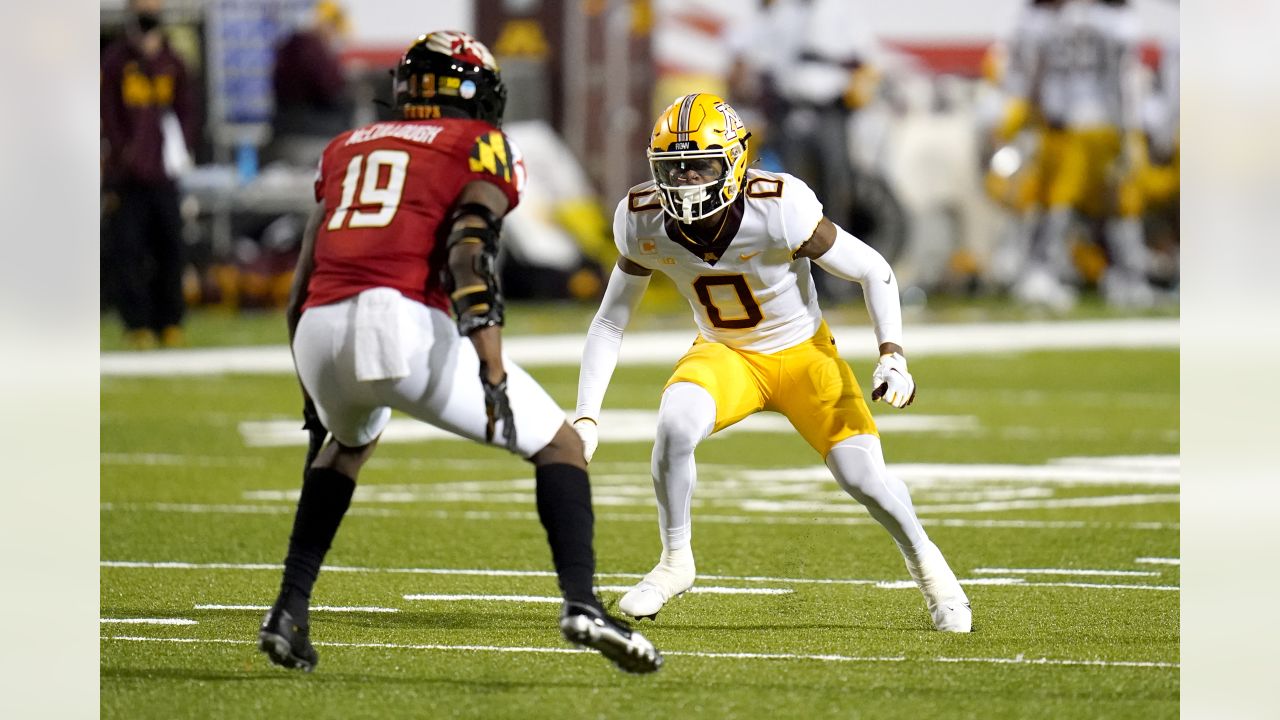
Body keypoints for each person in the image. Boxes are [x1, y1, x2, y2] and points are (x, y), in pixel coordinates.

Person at [258, 31, 662, 675]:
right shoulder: (478, 144)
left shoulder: (345, 146)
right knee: (559, 444)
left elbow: (300, 285)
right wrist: (491, 362)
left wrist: (313, 389)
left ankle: (289, 609)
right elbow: (468, 251)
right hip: (398, 323)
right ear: (472, 92)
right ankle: (583, 603)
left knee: (345, 445)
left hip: (317, 328)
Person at [573, 93, 971, 633]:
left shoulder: (779, 205)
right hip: (725, 352)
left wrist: (893, 357)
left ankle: (932, 572)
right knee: (673, 426)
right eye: (675, 168)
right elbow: (610, 321)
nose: (687, 180)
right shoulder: (641, 219)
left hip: (804, 354)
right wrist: (587, 416)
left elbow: (874, 270)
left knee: (865, 479)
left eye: (701, 166)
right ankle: (675, 562)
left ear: (734, 160)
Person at [998, 0, 1157, 310]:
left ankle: (1047, 270)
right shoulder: (1116, 21)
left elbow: (1035, 73)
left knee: (1067, 202)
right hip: (1102, 120)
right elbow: (1124, 79)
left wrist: (1031, 118)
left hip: (1066, 120)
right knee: (1106, 202)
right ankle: (1123, 275)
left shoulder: (1059, 20)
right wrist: (1129, 129)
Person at [101, 0, 198, 349]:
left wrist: (182, 149)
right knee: (128, 249)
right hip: (127, 176)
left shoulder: (172, 61)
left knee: (170, 247)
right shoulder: (116, 61)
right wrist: (121, 154)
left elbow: (187, 109)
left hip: (164, 174)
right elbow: (108, 114)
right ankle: (136, 323)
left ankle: (169, 320)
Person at [267, 0, 353, 167]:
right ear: (326, 25)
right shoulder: (312, 50)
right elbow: (329, 90)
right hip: (310, 136)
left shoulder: (292, 46)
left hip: (288, 134)